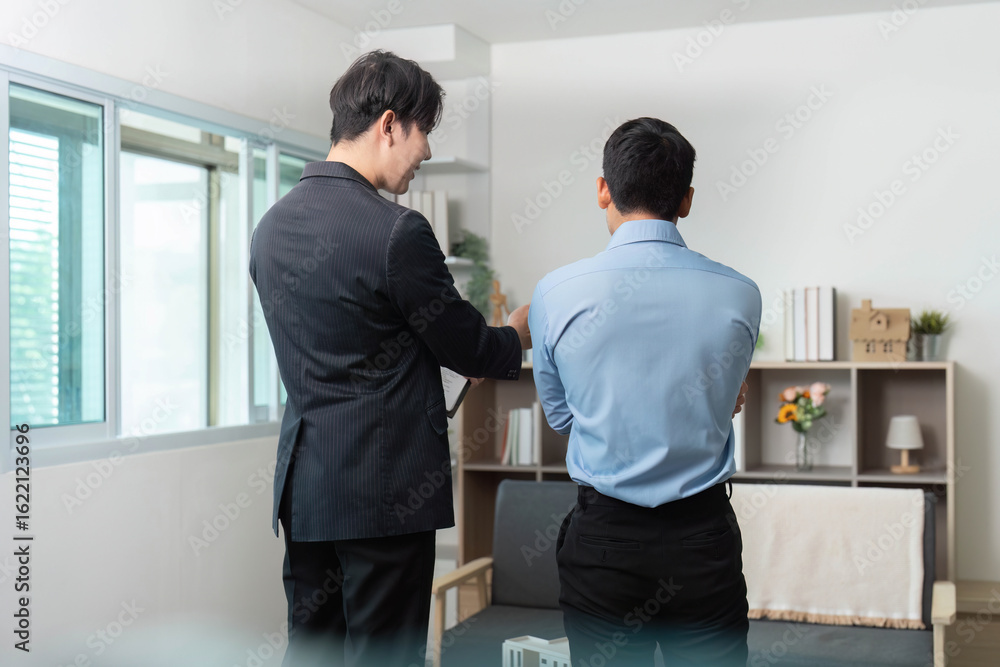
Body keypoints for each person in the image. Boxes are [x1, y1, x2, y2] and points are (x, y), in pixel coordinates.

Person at [248, 50, 530, 667]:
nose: (426, 151)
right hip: (384, 497)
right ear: (389, 123)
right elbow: (468, 345)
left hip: (309, 490)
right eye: (424, 130)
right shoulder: (397, 231)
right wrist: (518, 330)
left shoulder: (269, 228)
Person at [528, 117, 760, 666]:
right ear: (686, 200)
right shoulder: (740, 293)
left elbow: (561, 416)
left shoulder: (556, 293)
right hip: (703, 542)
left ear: (604, 189)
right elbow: (726, 400)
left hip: (604, 543)